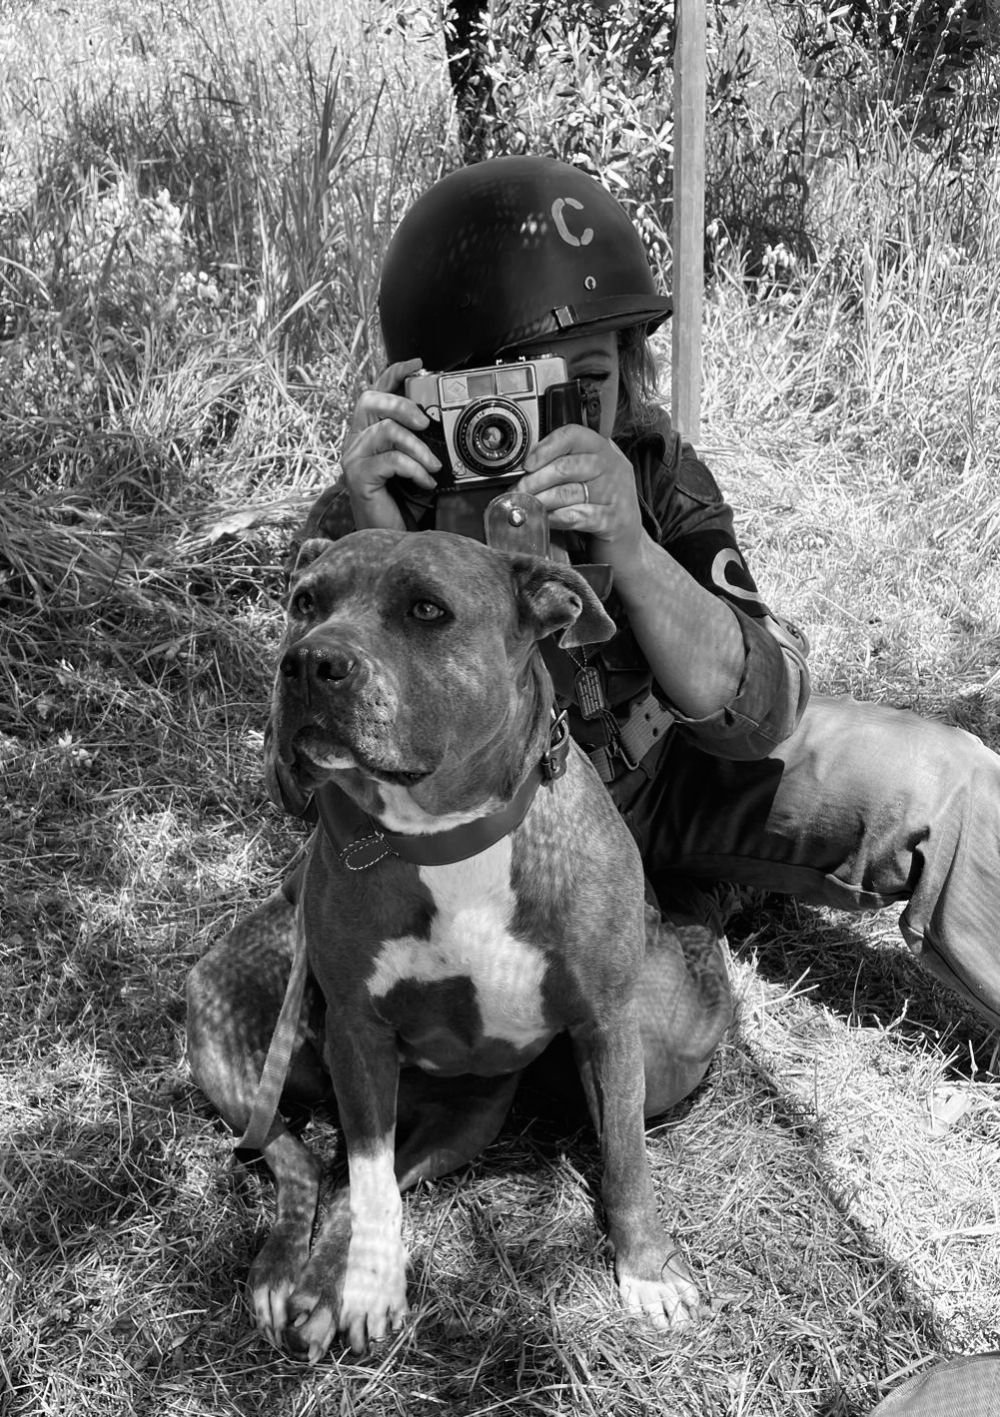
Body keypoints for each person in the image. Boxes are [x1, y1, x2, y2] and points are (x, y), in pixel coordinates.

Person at [290, 153, 1000, 1032]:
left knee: (947, 779)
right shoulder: (376, 502)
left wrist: (631, 542)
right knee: (647, 1029)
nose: (557, 424)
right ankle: (692, 907)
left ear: (627, 369)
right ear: (431, 392)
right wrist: (383, 539)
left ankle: (702, 886)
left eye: (586, 381)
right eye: (513, 391)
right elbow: (304, 781)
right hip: (512, 847)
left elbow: (764, 709)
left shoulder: (649, 466)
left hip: (676, 773)